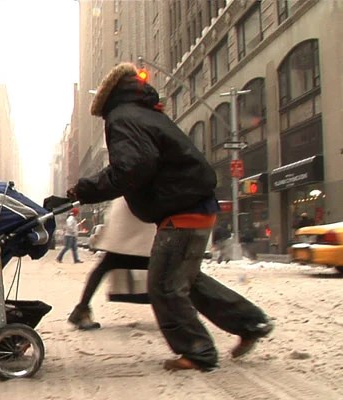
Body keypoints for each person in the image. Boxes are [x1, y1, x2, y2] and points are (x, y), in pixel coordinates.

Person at [67, 62, 273, 371]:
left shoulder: (121, 117)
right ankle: (250, 322)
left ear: (107, 98)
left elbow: (133, 167)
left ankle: (198, 350)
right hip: (194, 205)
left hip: (181, 210)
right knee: (186, 281)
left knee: (163, 284)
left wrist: (84, 190)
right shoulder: (146, 112)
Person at [68, 197, 156, 330]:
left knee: (107, 264)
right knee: (166, 264)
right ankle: (179, 311)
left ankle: (81, 310)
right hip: (137, 216)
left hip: (130, 217)